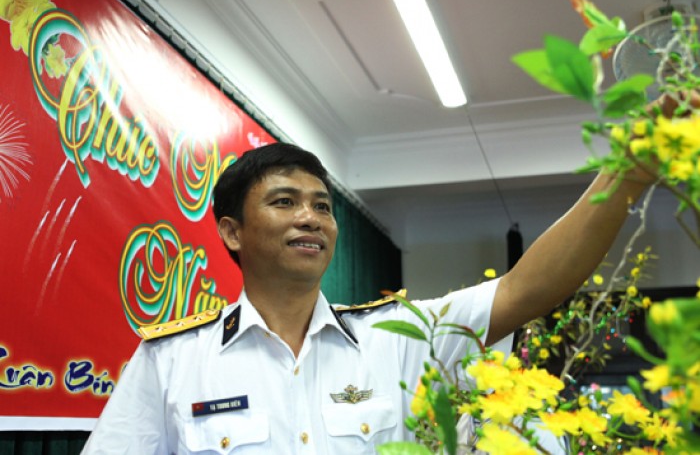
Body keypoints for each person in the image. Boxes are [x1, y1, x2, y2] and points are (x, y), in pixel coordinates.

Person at [82, 142, 651, 454]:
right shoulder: (172, 360)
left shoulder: (399, 335)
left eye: (322, 206)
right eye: (284, 202)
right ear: (233, 232)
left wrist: (626, 172)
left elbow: (528, 288)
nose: (311, 218)